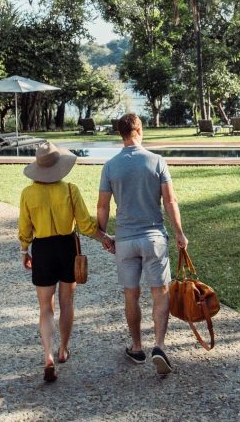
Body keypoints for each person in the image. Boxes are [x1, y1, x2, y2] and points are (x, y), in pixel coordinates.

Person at [97, 113, 188, 375]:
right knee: (160, 293)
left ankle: (137, 347)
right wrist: (180, 233)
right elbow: (170, 202)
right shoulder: (157, 161)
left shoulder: (110, 166)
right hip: (154, 239)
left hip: (125, 240)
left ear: (121, 133)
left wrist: (103, 235)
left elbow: (102, 206)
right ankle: (158, 346)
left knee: (131, 295)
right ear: (139, 130)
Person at [19, 141, 114, 383]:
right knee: (67, 302)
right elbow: (85, 224)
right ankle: (63, 349)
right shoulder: (70, 190)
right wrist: (104, 237)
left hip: (41, 248)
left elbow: (25, 228)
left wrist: (24, 250)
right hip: (66, 247)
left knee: (45, 308)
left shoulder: (28, 193)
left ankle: (47, 355)